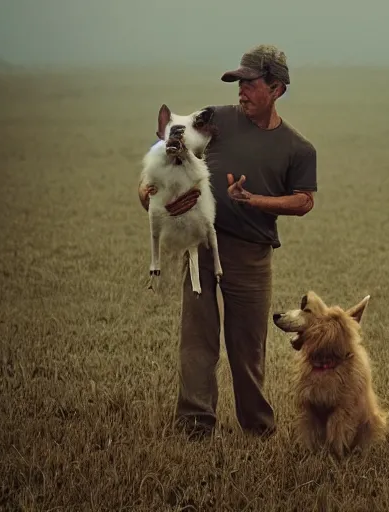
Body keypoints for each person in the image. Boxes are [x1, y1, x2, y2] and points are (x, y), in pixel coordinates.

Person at [139, 44, 318, 439]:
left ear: (277, 89)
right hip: (204, 245)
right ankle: (194, 425)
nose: (241, 91)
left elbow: (305, 201)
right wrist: (150, 192)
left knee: (248, 347)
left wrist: (255, 201)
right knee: (197, 340)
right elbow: (163, 153)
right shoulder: (215, 120)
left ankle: (257, 427)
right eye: (239, 83)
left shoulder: (298, 148)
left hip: (253, 256)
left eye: (251, 84)